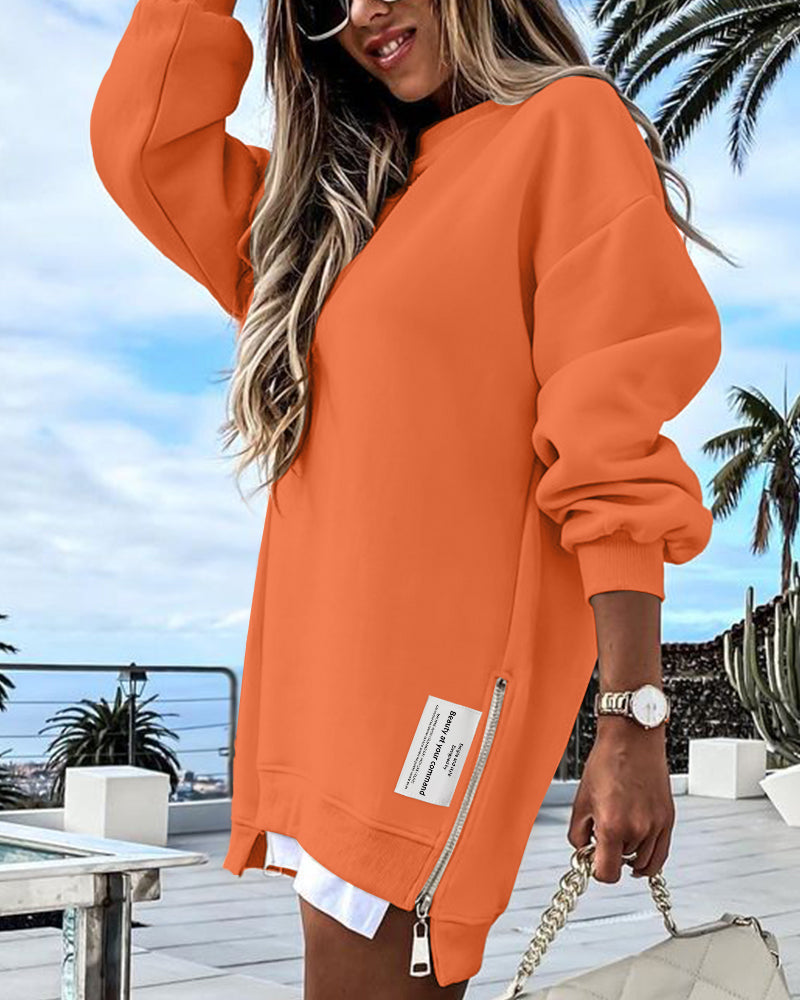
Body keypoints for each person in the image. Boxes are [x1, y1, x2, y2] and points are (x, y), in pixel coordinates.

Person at [89, 0, 728, 996]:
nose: (363, 13)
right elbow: (144, 147)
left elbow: (608, 444)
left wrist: (632, 719)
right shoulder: (339, 203)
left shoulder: (563, 127)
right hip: (320, 698)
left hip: (436, 706)